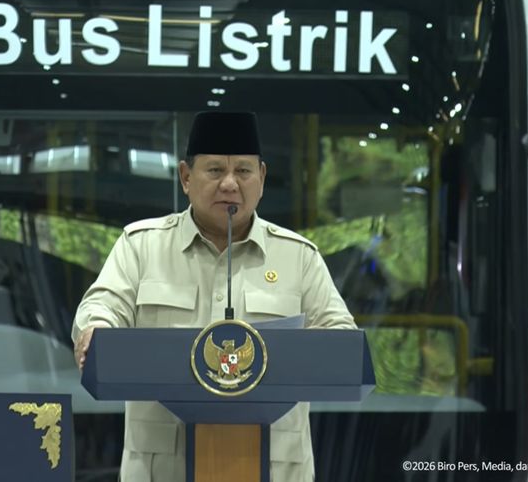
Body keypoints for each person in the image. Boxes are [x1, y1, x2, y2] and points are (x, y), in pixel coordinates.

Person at [72, 111, 356, 481]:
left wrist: (314, 348)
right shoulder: (141, 245)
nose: (229, 184)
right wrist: (95, 327)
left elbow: (340, 333)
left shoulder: (298, 256)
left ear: (262, 178)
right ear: (186, 177)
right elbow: (102, 305)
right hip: (163, 469)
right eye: (214, 170)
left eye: (243, 171)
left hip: (274, 466)